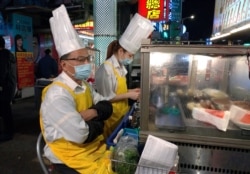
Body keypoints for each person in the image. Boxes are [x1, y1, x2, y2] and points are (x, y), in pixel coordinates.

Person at [40, 5, 115, 173]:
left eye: (88, 58)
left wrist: (93, 113)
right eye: (80, 60)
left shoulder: (84, 85)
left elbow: (106, 106)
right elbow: (81, 134)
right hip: (68, 160)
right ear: (64, 65)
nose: (87, 64)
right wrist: (100, 121)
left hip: (91, 151)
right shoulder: (57, 95)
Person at [95, 13, 154, 138]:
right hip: (110, 116)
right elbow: (106, 97)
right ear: (121, 51)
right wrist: (129, 95)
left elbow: (117, 90)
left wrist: (131, 91)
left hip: (121, 114)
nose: (131, 59)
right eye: (130, 55)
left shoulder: (121, 68)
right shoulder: (106, 69)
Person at [0, 36, 17, 142]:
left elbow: (2, 72)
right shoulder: (9, 55)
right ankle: (8, 131)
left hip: (4, 87)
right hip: (10, 86)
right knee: (6, 110)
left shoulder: (2, 56)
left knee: (5, 110)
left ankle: (8, 133)